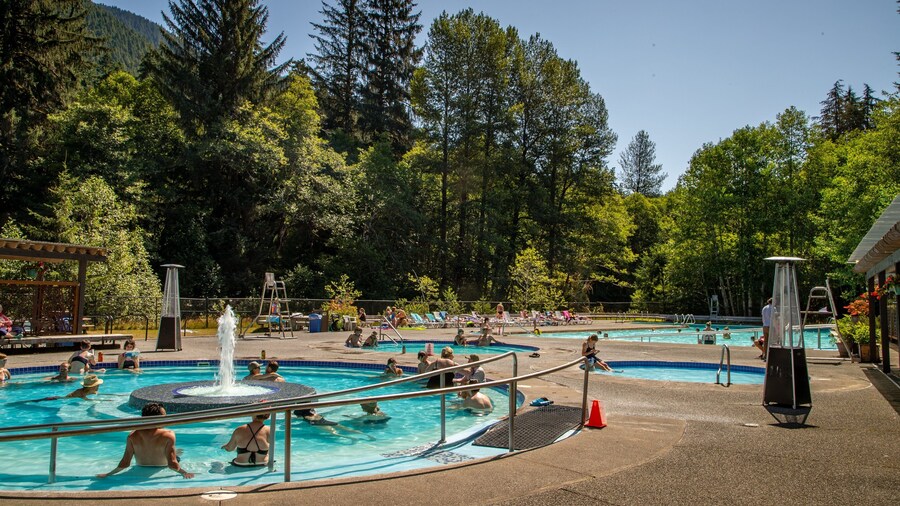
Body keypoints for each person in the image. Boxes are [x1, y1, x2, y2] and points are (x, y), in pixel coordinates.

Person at [97, 403, 194, 479]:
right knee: (177, 455)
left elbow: (125, 463)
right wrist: (184, 472)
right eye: (165, 416)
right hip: (162, 466)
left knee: (176, 452)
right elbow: (172, 463)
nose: (167, 418)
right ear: (158, 419)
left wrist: (108, 474)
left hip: (141, 466)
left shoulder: (132, 435)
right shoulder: (168, 435)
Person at [293, 408, 371, 440]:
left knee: (334, 433)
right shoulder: (315, 414)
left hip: (316, 423)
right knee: (347, 429)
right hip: (324, 420)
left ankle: (352, 438)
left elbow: (297, 418)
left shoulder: (304, 417)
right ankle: (366, 435)